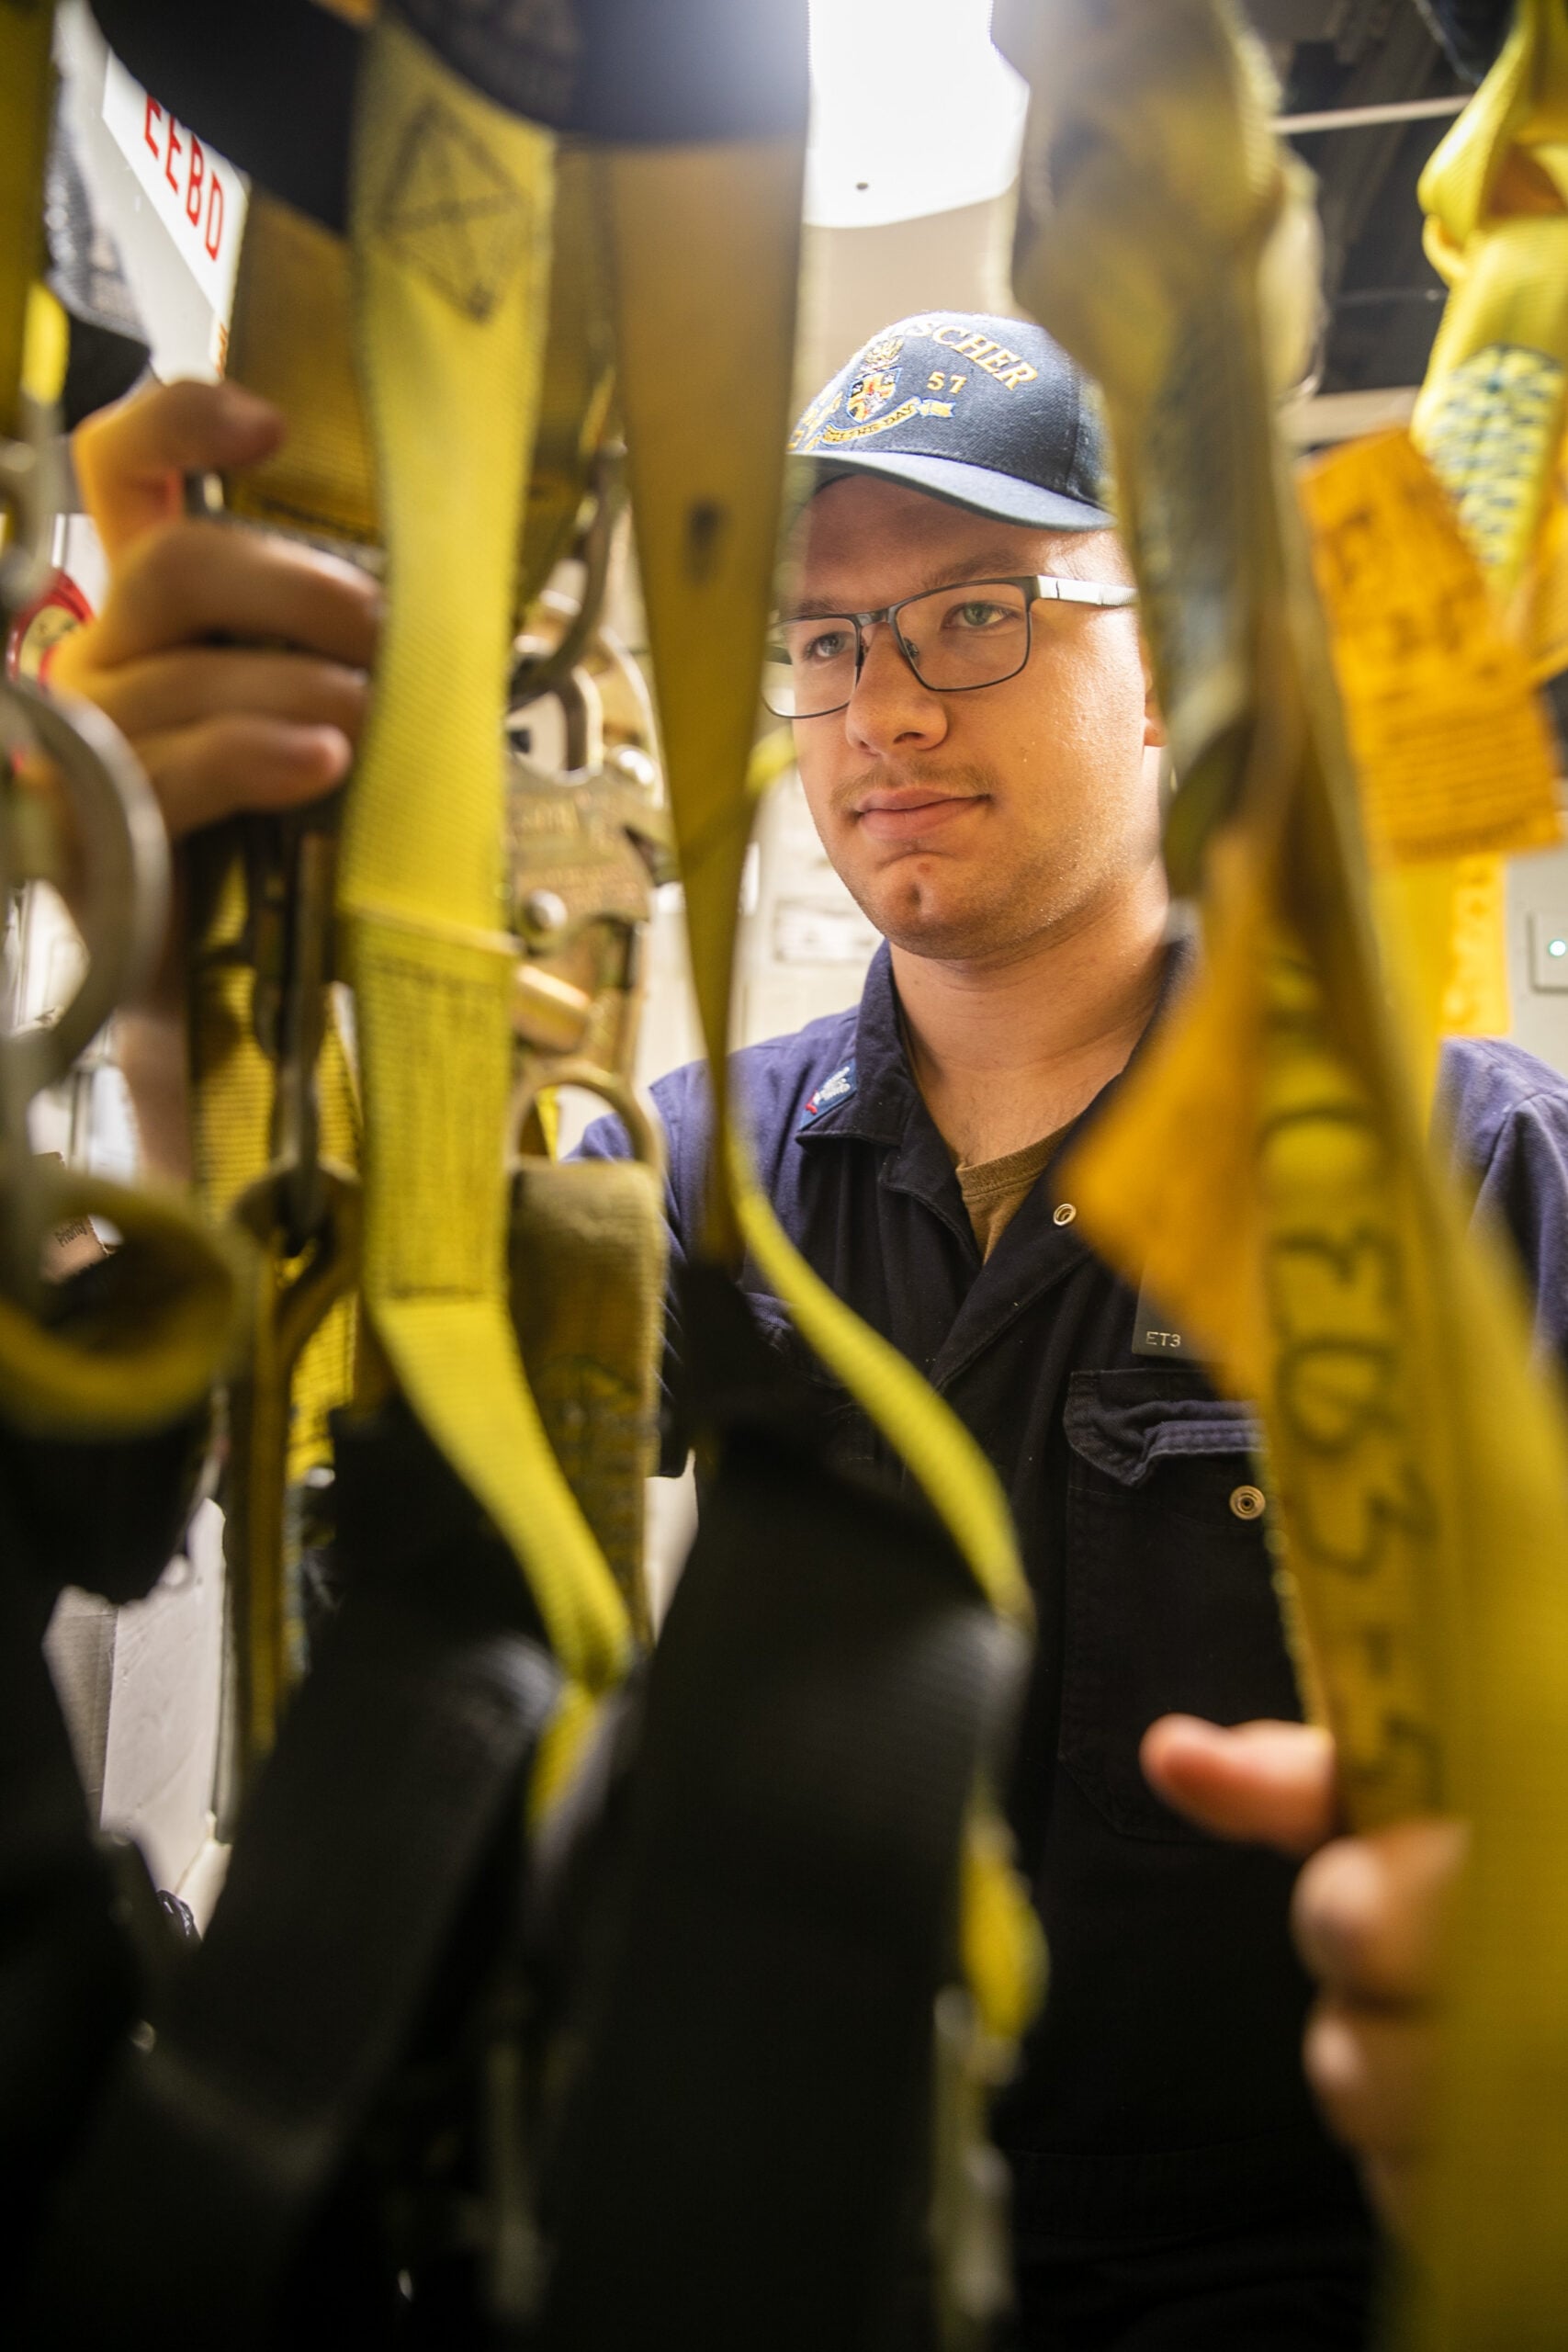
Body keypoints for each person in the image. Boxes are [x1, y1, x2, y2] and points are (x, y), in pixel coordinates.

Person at [49, 314, 1568, 2346]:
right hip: (764, 2257)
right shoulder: (689, 1165)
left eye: (977, 613)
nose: (884, 710)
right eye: (827, 639)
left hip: (1267, 2282)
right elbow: (358, 1432)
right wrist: (193, 1018)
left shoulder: (1468, 1170)